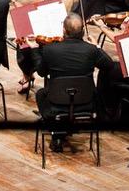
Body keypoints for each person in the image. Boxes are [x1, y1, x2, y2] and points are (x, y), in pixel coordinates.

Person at [32, 13, 116, 150]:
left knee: (41, 94)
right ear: (82, 31)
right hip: (86, 101)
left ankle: (57, 133)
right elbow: (109, 65)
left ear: (64, 31)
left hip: (56, 103)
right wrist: (97, 47)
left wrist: (35, 50)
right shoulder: (91, 50)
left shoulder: (50, 50)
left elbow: (41, 72)